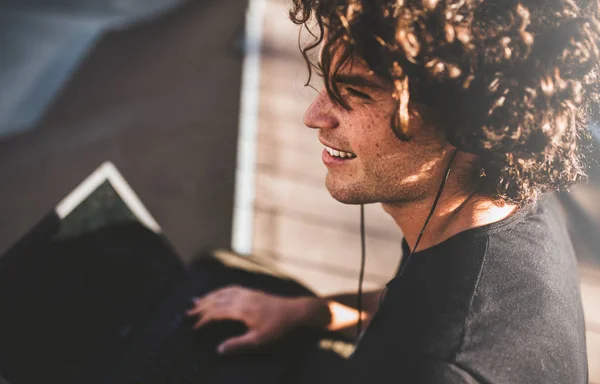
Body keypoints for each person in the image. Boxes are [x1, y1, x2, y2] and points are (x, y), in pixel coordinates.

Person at [187, 0, 600, 382]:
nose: (314, 116)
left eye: (357, 93)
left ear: (471, 127)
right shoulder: (503, 203)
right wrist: (300, 312)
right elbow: (407, 300)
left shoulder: (436, 367)